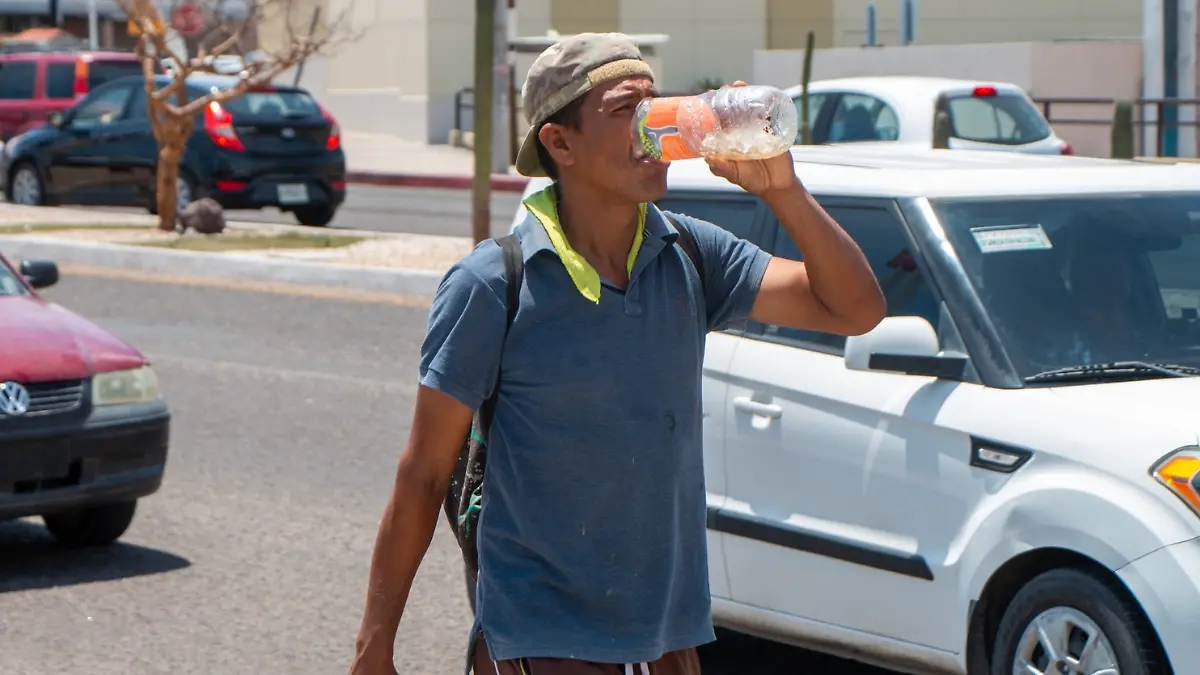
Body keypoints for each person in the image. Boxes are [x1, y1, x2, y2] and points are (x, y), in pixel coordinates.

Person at [349, 32, 885, 675]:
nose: (655, 127)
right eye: (625, 110)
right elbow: (424, 476)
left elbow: (855, 309)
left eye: (655, 105)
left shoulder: (691, 254)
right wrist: (373, 650)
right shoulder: (495, 284)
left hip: (667, 638)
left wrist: (783, 192)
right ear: (561, 142)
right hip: (542, 641)